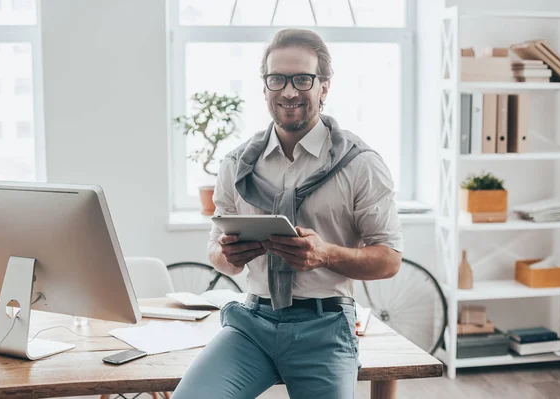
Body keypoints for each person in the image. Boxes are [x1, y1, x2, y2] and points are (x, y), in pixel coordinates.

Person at [171, 28, 403, 399]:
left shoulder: (361, 165)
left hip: (325, 327)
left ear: (324, 87)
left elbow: (389, 259)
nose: (289, 91)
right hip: (252, 324)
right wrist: (227, 254)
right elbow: (216, 248)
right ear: (264, 87)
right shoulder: (236, 163)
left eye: (303, 79)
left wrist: (326, 254)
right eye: (277, 79)